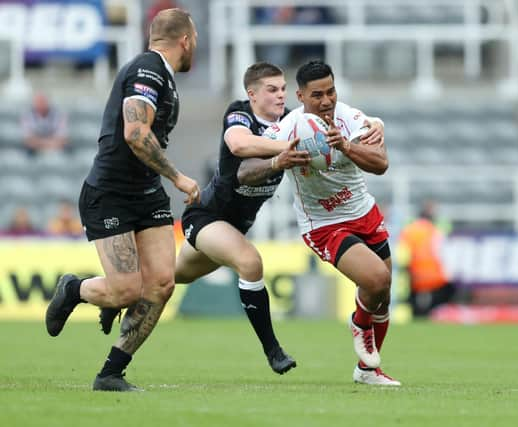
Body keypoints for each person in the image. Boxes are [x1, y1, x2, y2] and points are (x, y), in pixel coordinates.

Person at [100, 62, 311, 373]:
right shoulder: (239, 113)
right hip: (206, 216)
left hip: (235, 225)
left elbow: (324, 129)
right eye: (272, 90)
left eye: (282, 89)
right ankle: (273, 351)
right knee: (250, 262)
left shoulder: (291, 122)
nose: (281, 95)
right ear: (252, 94)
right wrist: (280, 156)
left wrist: (368, 128)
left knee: (168, 279)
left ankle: (114, 299)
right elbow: (238, 147)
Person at [44, 8, 200, 392]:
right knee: (128, 290)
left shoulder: (163, 74)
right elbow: (134, 133)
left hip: (146, 194)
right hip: (110, 193)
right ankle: (74, 289)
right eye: (194, 40)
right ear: (185, 40)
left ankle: (111, 373)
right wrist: (177, 176)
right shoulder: (147, 69)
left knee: (162, 283)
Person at [238, 60, 400, 386]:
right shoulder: (288, 128)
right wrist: (277, 161)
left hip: (364, 213)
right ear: (300, 96)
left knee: (383, 293)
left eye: (331, 92)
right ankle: (359, 322)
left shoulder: (351, 118)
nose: (326, 101)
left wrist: (347, 145)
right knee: (377, 280)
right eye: (317, 95)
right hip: (324, 224)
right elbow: (244, 171)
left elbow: (381, 164)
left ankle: (367, 371)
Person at [398, 200, 455, 317]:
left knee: (415, 308)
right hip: (436, 278)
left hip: (415, 277)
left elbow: (403, 255)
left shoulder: (408, 230)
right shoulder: (437, 230)